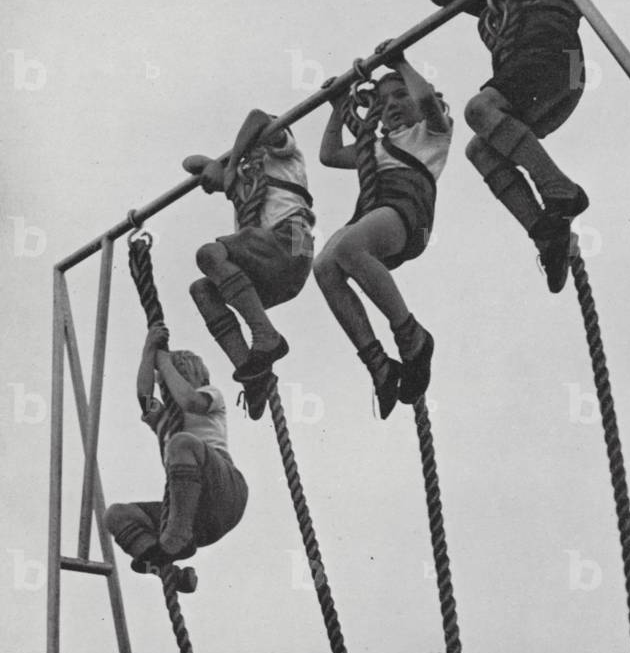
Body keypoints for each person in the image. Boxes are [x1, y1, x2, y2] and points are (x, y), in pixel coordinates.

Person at [429, 0, 588, 292]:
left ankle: (561, 190)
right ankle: (547, 236)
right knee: (480, 151)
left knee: (479, 110)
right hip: (537, 77)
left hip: (555, 54)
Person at [313, 50, 452, 418]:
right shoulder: (373, 147)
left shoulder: (431, 132)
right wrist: (336, 107)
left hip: (409, 212)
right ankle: (378, 362)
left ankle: (411, 336)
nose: (391, 105)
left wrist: (401, 63)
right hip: (375, 214)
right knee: (324, 266)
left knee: (348, 247)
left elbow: (426, 99)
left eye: (400, 96)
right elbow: (328, 155)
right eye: (383, 100)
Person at [182, 110, 315, 419]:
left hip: (293, 239)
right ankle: (251, 372)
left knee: (209, 254)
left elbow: (257, 117)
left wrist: (229, 168)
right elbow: (190, 163)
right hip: (269, 265)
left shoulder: (284, 150)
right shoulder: (245, 177)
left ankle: (266, 337)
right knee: (203, 290)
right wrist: (221, 166)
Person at [104, 325, 248, 572]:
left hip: (222, 492)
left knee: (181, 443)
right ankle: (167, 569)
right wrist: (149, 350)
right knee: (115, 515)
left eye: (181, 376)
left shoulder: (208, 394)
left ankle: (175, 539)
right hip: (192, 513)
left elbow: (188, 400)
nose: (171, 385)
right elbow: (144, 396)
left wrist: (166, 363)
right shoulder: (164, 420)